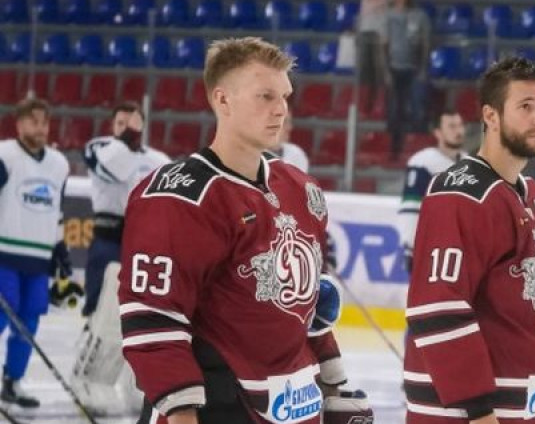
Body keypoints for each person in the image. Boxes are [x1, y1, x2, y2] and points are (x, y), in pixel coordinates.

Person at [117, 37, 371, 424]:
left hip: (294, 404)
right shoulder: (180, 196)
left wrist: (332, 385)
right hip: (218, 405)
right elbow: (153, 319)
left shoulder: (301, 188)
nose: (281, 109)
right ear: (223, 100)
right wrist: (182, 413)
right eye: (265, 96)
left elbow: (306, 310)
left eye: (285, 96)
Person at [404, 57, 535, 424]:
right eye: (526, 106)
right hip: (465, 413)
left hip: (521, 405)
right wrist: (479, 410)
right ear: (491, 116)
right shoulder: (460, 193)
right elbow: (438, 307)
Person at [72, 101, 170, 414]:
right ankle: (87, 380)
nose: (126, 127)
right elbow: (115, 166)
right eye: (120, 122)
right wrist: (126, 140)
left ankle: (135, 385)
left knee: (142, 316)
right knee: (102, 315)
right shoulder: (100, 147)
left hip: (145, 243)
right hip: (109, 240)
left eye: (132, 122)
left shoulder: (159, 160)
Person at [0, 98, 71, 408]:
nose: (40, 127)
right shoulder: (5, 155)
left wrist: (60, 248)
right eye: (33, 121)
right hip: (4, 255)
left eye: (44, 122)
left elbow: (55, 208)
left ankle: (12, 382)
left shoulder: (59, 164)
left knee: (28, 323)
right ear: (19, 124)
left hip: (38, 260)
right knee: (4, 313)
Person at [398, 109, 466, 272]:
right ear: (438, 133)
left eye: (460, 125)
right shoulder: (423, 163)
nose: (458, 131)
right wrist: (410, 245)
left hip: (461, 248)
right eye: (451, 126)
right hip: (430, 248)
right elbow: (411, 207)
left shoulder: (469, 162)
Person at [385, 0, 431, 158]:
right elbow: (382, 44)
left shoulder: (419, 16)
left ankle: (417, 149)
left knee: (417, 109)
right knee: (395, 111)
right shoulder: (387, 15)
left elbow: (425, 44)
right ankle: (394, 150)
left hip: (413, 69)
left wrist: (422, 69)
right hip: (393, 68)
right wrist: (386, 71)